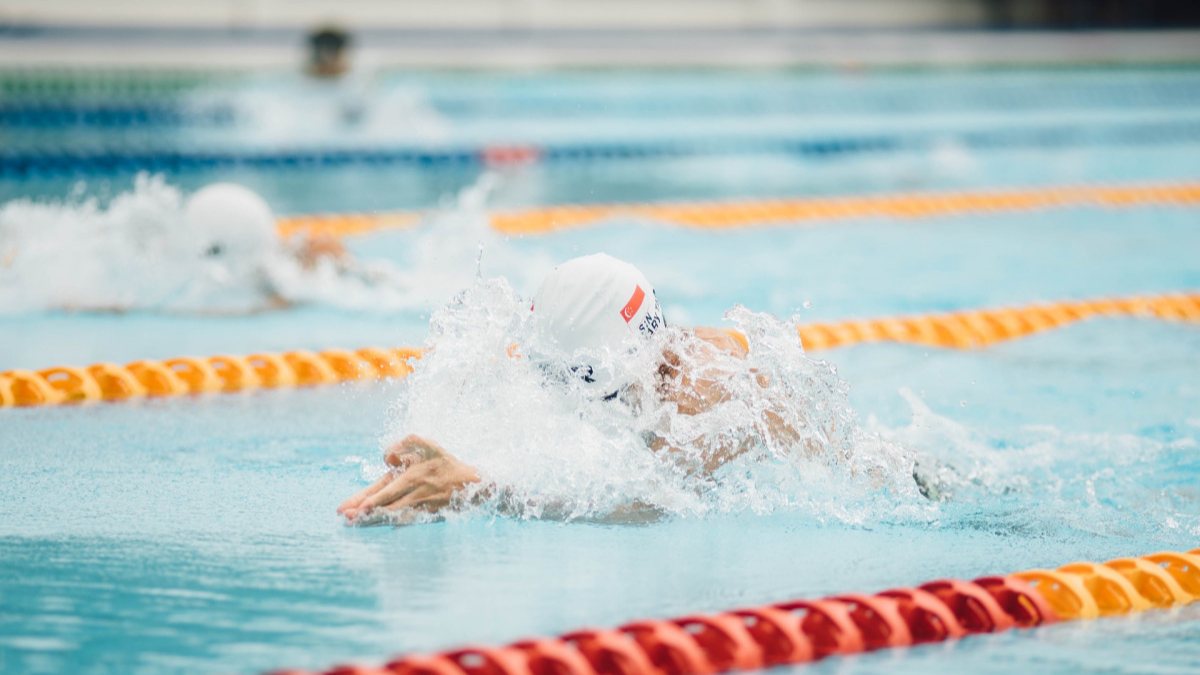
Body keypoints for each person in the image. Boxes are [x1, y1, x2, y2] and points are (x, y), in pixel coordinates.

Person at [337, 253, 826, 525]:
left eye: (595, 394)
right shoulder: (635, 367)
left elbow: (640, 502)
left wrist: (479, 486)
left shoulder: (704, 388)